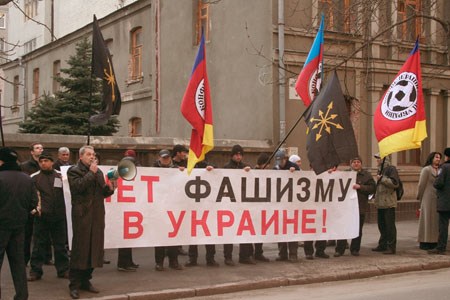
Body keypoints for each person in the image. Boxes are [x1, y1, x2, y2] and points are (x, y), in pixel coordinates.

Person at [67, 146, 116, 299]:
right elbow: (78, 187)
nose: (92, 157)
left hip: (96, 216)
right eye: (89, 154)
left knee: (94, 249)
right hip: (82, 216)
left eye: (93, 154)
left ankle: (86, 280)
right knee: (80, 250)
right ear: (81, 157)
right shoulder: (74, 170)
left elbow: (103, 193)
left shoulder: (98, 171)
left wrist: (111, 187)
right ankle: (74, 284)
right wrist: (91, 173)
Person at [0, 147, 36, 300]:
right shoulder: (27, 178)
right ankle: (22, 295)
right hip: (19, 226)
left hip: (1, 226)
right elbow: (33, 202)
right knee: (18, 263)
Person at [28, 151, 69, 281]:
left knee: (60, 245)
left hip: (58, 217)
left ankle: (63, 270)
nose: (43, 163)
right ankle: (36, 271)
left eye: (46, 161)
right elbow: (30, 196)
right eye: (41, 161)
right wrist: (35, 210)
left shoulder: (61, 176)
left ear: (52, 162)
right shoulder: (34, 177)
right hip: (42, 217)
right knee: (39, 245)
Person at [334, 156, 376, 257]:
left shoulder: (366, 175)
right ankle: (340, 249)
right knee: (343, 228)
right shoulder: (345, 174)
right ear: (350, 164)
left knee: (357, 229)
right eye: (354, 162)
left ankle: (355, 249)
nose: (356, 164)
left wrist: (360, 187)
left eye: (358, 162)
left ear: (361, 164)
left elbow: (372, 188)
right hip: (346, 207)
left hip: (360, 206)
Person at [21, 143, 53, 267]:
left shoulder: (50, 169)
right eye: (37, 148)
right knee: (28, 235)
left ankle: (47, 257)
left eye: (41, 148)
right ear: (32, 152)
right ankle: (25, 259)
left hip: (45, 207)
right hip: (31, 206)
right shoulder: (25, 166)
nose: (40, 149)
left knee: (45, 235)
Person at [184, 160, 219, 267]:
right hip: (193, 206)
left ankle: (210, 258)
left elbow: (216, 170)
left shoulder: (205, 164)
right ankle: (192, 258)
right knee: (193, 234)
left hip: (207, 206)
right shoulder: (188, 165)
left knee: (209, 234)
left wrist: (211, 168)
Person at [152, 149, 183, 271]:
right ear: (159, 158)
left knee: (173, 237)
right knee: (159, 237)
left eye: (167, 158)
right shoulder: (152, 169)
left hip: (173, 207)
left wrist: (182, 173)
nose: (166, 160)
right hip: (159, 207)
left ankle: (173, 261)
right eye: (163, 158)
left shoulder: (176, 169)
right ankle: (159, 262)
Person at [223, 145, 252, 265]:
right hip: (230, 204)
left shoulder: (246, 167)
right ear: (232, 155)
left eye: (240, 155)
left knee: (245, 231)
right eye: (236, 154)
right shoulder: (226, 167)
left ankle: (244, 256)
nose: (239, 157)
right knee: (229, 232)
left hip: (243, 204)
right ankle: (228, 257)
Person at [273, 150, 301, 262]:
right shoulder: (275, 169)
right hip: (280, 204)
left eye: (282, 160)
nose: (280, 163)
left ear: (285, 159)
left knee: (292, 230)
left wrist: (296, 172)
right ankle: (282, 253)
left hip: (292, 204)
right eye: (278, 161)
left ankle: (293, 254)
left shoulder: (294, 167)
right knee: (281, 230)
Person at [372, 153, 400, 255]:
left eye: (378, 158)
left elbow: (395, 183)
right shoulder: (380, 169)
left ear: (384, 159)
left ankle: (391, 247)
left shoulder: (391, 169)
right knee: (382, 225)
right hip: (380, 202)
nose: (377, 160)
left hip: (388, 203)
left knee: (390, 226)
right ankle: (382, 244)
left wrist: (382, 179)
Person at [117, 149, 140, 272]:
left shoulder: (124, 168)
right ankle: (122, 263)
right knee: (124, 239)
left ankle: (128, 261)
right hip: (124, 207)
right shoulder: (124, 170)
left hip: (129, 206)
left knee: (128, 239)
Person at [417, 152, 442, 250]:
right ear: (431, 158)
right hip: (427, 197)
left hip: (437, 198)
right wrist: (419, 197)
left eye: (439, 157)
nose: (438, 159)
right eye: (436, 157)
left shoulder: (440, 170)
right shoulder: (426, 169)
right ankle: (424, 240)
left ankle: (434, 241)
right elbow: (421, 185)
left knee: (435, 221)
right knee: (426, 219)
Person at [428, 148, 450, 255]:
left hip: (445, 202)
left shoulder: (444, 167)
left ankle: (441, 247)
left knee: (443, 226)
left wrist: (436, 180)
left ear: (447, 156)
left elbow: (438, 183)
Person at [171, 144, 189, 256]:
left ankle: (179, 246)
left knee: (180, 224)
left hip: (183, 197)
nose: (185, 154)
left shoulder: (187, 163)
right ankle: (171, 248)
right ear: (177, 153)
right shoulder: (170, 163)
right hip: (172, 198)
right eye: (183, 152)